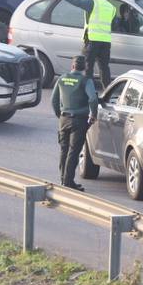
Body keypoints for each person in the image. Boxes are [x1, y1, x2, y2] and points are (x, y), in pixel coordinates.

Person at [52, 0, 113, 89]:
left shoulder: (93, 3)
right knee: (104, 68)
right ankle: (107, 91)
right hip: (106, 42)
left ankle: (88, 92)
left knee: (88, 67)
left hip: (92, 41)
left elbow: (78, 3)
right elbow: (113, 22)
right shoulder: (111, 7)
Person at [51, 55, 98, 191]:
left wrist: (60, 115)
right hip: (79, 120)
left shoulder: (62, 78)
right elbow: (93, 99)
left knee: (64, 150)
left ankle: (63, 179)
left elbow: (54, 101)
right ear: (84, 68)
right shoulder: (85, 81)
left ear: (72, 66)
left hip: (64, 119)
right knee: (73, 151)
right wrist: (93, 115)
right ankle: (68, 181)